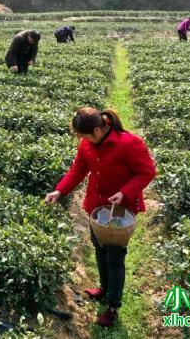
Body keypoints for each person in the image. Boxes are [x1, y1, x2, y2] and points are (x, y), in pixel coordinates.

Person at [44, 107, 156, 327]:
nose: (83, 140)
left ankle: (112, 306)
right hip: (96, 206)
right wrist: (60, 190)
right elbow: (78, 169)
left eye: (84, 135)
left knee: (115, 256)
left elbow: (147, 171)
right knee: (99, 248)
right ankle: (104, 289)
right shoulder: (87, 144)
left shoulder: (129, 143)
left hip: (120, 210)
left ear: (97, 129)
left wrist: (125, 192)